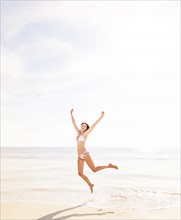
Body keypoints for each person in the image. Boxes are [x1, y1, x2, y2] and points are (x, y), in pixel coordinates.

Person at [70, 108, 118, 193]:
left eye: (85, 126)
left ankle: (109, 166)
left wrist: (101, 116)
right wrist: (71, 114)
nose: (84, 127)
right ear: (81, 126)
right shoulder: (78, 133)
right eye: (83, 125)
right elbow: (73, 123)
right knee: (80, 174)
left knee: (94, 170)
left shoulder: (86, 133)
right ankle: (90, 184)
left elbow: (93, 125)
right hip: (79, 156)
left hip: (84, 153)